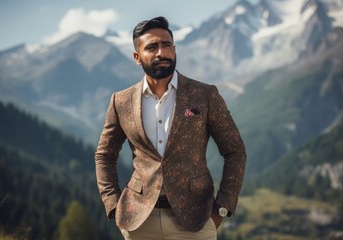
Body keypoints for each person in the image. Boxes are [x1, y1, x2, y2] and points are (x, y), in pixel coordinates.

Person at [95, 16, 246, 240]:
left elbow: (235, 151)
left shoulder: (205, 95)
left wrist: (223, 206)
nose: (161, 53)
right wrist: (113, 205)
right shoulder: (121, 101)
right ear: (137, 57)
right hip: (139, 223)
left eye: (166, 45)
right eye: (152, 47)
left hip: (195, 221)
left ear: (174, 50)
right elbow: (105, 155)